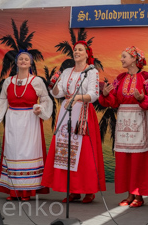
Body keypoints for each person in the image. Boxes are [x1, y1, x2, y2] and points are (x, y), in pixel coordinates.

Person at [42, 41, 106, 204]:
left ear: (87, 54)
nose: (76, 52)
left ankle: (88, 190)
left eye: (80, 50)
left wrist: (77, 98)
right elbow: (59, 93)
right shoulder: (67, 71)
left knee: (84, 152)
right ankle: (72, 189)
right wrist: (53, 86)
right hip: (66, 111)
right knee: (66, 151)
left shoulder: (92, 71)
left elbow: (93, 95)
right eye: (75, 49)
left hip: (83, 112)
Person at [0, 50, 52, 201]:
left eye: (26, 59)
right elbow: (2, 101)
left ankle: (27, 192)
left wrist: (40, 109)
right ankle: (13, 190)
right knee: (13, 152)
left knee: (29, 153)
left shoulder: (37, 81)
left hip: (30, 121)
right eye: (20, 59)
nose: (23, 61)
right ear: (16, 62)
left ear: (30, 63)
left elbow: (46, 100)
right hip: (13, 120)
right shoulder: (9, 81)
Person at [99, 46, 148, 208]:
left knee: (139, 158)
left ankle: (138, 193)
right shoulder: (120, 77)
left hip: (138, 119)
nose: (121, 59)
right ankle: (129, 193)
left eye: (124, 56)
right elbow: (114, 101)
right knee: (124, 157)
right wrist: (105, 95)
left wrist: (142, 98)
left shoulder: (146, 77)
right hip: (123, 120)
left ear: (134, 59)